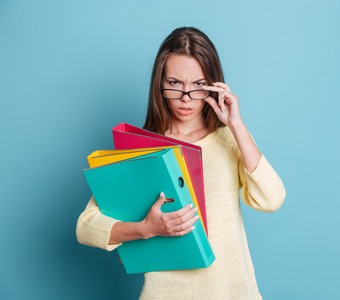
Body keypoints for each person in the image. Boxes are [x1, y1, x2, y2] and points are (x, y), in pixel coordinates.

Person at [76, 26, 286, 299]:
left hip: (232, 291)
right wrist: (145, 229)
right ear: (159, 85)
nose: (186, 98)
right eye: (175, 84)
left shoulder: (230, 138)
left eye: (198, 85)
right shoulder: (140, 149)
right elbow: (85, 227)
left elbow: (271, 199)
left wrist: (237, 125)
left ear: (212, 85)